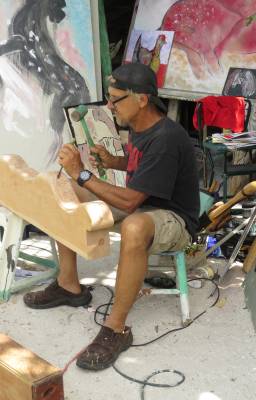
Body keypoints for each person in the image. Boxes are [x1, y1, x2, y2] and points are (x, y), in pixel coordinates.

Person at [23, 63, 200, 371]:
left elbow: (131, 201)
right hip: (145, 203)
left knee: (131, 224)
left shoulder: (166, 138)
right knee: (61, 189)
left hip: (174, 219)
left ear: (142, 99)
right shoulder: (139, 125)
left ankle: (115, 328)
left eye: (116, 99)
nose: (109, 105)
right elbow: (142, 171)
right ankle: (68, 285)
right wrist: (114, 161)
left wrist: (83, 173)